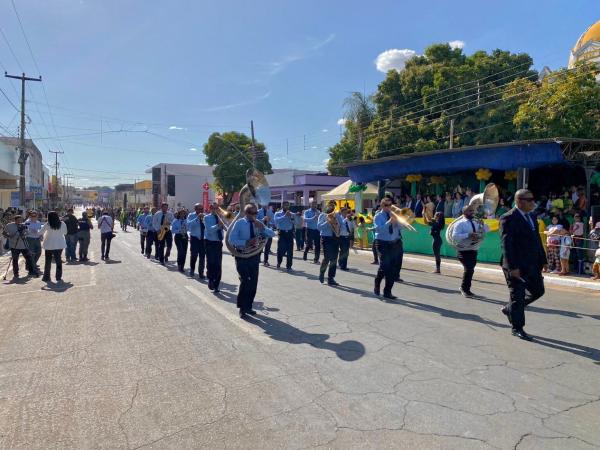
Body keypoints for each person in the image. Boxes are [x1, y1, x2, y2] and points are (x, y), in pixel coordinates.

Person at [499, 189, 547, 341]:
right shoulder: (508, 218)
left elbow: (536, 240)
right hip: (516, 266)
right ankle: (517, 327)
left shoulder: (532, 216)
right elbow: (507, 245)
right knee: (517, 296)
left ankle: (510, 309)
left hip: (532, 264)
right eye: (530, 199)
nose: (533, 202)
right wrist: (512, 267)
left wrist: (543, 259)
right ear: (519, 201)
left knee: (538, 290)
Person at [227, 204, 275, 318]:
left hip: (254, 256)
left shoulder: (258, 223)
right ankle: (242, 307)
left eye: (255, 213)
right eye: (252, 213)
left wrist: (262, 227)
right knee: (245, 280)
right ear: (246, 213)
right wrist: (246, 242)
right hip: (242, 255)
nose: (254, 215)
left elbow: (272, 234)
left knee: (253, 282)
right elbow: (231, 239)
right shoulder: (239, 223)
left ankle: (248, 306)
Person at [451, 205, 489, 298]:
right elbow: (454, 236)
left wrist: (483, 225)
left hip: (473, 249)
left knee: (470, 269)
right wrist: (468, 235)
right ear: (464, 212)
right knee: (469, 269)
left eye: (472, 211)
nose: (472, 212)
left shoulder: (476, 222)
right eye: (469, 211)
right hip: (463, 250)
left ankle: (464, 288)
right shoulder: (460, 223)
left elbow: (487, 230)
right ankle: (465, 289)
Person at [373, 199, 403, 299]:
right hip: (382, 243)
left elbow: (401, 228)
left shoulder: (394, 214)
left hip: (393, 243)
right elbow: (379, 230)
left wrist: (400, 221)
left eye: (390, 205)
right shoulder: (378, 216)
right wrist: (389, 222)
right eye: (386, 205)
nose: (389, 207)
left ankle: (387, 291)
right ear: (382, 206)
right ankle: (377, 283)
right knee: (385, 266)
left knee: (393, 269)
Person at [2, 214, 36, 280]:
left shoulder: (24, 225)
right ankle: (16, 273)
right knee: (15, 260)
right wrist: (9, 236)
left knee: (28, 258)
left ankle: (31, 271)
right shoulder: (9, 225)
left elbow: (27, 233)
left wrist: (24, 235)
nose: (19, 221)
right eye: (18, 220)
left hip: (23, 245)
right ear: (15, 220)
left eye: (20, 220)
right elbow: (4, 233)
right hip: (14, 246)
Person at [317, 203, 343, 286]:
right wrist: (328, 222)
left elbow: (342, 225)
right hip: (326, 238)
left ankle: (331, 278)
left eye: (333, 206)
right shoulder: (323, 215)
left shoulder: (337, 215)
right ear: (327, 206)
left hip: (335, 238)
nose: (332, 207)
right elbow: (319, 227)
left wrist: (337, 225)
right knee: (327, 257)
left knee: (334, 259)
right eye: (330, 205)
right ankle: (322, 273)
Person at [204, 203, 226, 292]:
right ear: (210, 209)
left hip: (218, 243)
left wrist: (224, 225)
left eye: (217, 208)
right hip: (210, 242)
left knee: (218, 264)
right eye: (214, 208)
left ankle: (216, 284)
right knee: (211, 262)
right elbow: (209, 230)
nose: (216, 210)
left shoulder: (221, 217)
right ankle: (210, 279)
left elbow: (227, 228)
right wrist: (218, 225)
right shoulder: (207, 218)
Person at [41, 211, 67, 283]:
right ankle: (58, 277)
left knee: (48, 261)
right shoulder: (62, 223)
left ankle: (46, 277)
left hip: (49, 244)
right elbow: (65, 232)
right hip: (59, 244)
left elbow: (40, 232)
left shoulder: (47, 224)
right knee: (58, 260)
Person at [187, 203, 207, 278]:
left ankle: (201, 273)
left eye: (202, 209)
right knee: (194, 255)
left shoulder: (205, 216)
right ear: (195, 209)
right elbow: (188, 225)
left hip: (203, 239)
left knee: (202, 256)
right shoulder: (191, 215)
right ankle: (192, 269)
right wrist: (197, 218)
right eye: (199, 209)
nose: (201, 210)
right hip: (195, 238)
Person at [274, 201, 294, 271]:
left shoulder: (291, 214)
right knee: (280, 250)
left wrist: (292, 218)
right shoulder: (278, 213)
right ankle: (279, 262)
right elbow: (276, 221)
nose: (287, 207)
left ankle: (289, 266)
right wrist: (284, 216)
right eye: (285, 205)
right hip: (282, 233)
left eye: (288, 205)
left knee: (290, 251)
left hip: (289, 233)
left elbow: (296, 222)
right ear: (282, 206)